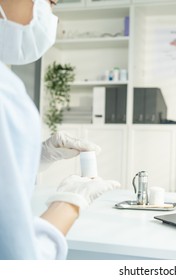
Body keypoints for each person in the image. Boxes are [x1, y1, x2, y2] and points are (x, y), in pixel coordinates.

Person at [0, 0, 121, 259]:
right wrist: (68, 203)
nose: (51, 13)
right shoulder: (5, 94)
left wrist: (39, 157)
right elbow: (21, 262)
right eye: (49, 2)